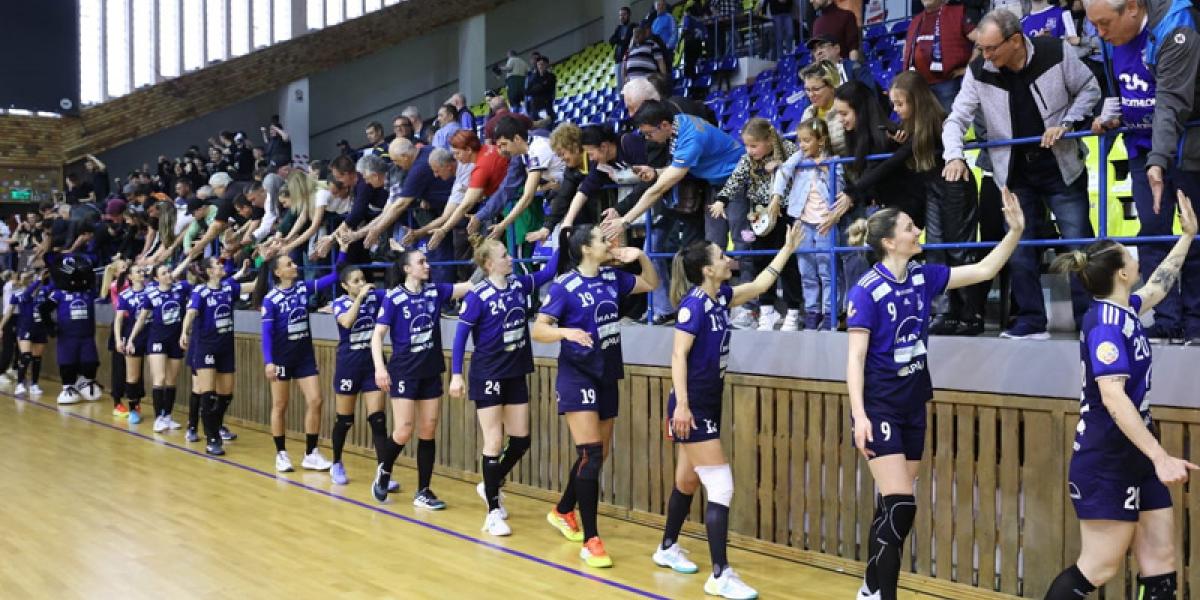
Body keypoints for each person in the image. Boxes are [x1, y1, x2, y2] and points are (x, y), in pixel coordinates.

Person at [847, 191, 1025, 600]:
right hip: (880, 407)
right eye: (909, 228)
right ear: (889, 242)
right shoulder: (866, 291)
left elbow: (984, 269)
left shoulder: (923, 276)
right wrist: (860, 415)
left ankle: (870, 588)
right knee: (901, 506)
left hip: (913, 404)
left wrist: (1015, 231)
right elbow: (855, 359)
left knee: (894, 506)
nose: (918, 231)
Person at [1042, 191, 1198, 600]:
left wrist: (1187, 236)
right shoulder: (1105, 326)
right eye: (1128, 254)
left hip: (1136, 451)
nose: (1135, 256)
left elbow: (1159, 287)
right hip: (1106, 456)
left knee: (1161, 559)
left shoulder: (1126, 308)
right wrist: (1160, 456)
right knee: (1100, 567)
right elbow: (1112, 398)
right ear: (1122, 273)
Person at [658, 224, 804, 600]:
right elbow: (677, 356)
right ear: (708, 269)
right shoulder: (693, 306)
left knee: (687, 482)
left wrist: (787, 248)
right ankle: (720, 575)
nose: (727, 259)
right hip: (692, 406)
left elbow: (759, 286)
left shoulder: (720, 297)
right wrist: (683, 406)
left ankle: (667, 547)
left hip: (708, 402)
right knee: (721, 485)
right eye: (721, 256)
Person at [942, 8, 1101, 339]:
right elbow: (956, 119)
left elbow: (1090, 89)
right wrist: (954, 155)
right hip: (1013, 174)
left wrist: (1066, 123)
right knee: (1019, 246)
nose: (985, 56)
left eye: (991, 48)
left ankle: (1091, 319)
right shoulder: (978, 70)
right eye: (981, 49)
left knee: (1078, 243)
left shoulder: (1056, 51)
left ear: (1015, 40)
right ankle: (1030, 320)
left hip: (1061, 167)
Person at [531, 225, 658, 568]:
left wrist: (641, 256)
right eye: (603, 240)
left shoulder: (612, 277)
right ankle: (592, 540)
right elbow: (539, 329)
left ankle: (562, 511)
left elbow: (651, 284)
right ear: (586, 249)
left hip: (607, 372)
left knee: (597, 455)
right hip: (577, 375)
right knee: (590, 453)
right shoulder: (565, 286)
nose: (610, 243)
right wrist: (565, 332)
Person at [1088, 0, 1200, 344]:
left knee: (1193, 237)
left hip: (1183, 149)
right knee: (1151, 235)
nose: (1099, 33)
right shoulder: (1111, 40)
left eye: (1105, 24)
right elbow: (1123, 89)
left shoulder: (1176, 27)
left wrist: (1159, 159)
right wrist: (1110, 115)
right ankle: (1166, 319)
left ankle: (1196, 322)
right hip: (1140, 149)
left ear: (1132, 9)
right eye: (1094, 25)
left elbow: (1171, 101)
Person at [450, 241, 558, 536]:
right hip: (488, 373)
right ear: (488, 264)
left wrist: (565, 228)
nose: (510, 258)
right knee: (494, 441)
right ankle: (493, 512)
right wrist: (456, 375)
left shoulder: (518, 285)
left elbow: (549, 271)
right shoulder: (478, 296)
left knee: (521, 440)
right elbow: (460, 338)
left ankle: (491, 481)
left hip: (515, 371)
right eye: (504, 256)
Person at [368, 250, 473, 507]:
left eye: (426, 261)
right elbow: (377, 335)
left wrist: (485, 261)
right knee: (404, 430)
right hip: (404, 371)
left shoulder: (434, 292)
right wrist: (380, 368)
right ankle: (384, 469)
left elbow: (469, 286)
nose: (427, 265)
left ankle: (423, 491)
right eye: (421, 262)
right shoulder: (394, 298)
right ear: (407, 269)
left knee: (428, 430)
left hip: (430, 370)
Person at [712, 118, 802, 331]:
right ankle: (766, 310)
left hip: (785, 212)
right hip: (759, 216)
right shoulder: (748, 159)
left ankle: (793, 311)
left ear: (769, 140)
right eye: (746, 145)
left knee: (787, 263)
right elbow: (735, 179)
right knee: (760, 260)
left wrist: (782, 166)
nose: (749, 150)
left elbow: (802, 163)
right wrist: (721, 200)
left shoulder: (787, 149)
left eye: (754, 145)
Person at [253, 255, 337, 473]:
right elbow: (266, 333)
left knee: (316, 400)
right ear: (278, 272)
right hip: (282, 358)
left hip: (304, 356)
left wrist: (344, 250)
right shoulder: (271, 299)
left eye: (293, 262)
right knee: (280, 405)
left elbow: (335, 276)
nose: (295, 266)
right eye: (289, 264)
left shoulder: (302, 288)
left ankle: (311, 454)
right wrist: (268, 361)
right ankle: (281, 453)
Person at [324, 260, 397, 489]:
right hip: (349, 366)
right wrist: (359, 298)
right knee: (345, 420)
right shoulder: (340, 303)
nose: (362, 284)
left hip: (372, 365)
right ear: (345, 286)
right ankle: (336, 463)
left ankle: (383, 472)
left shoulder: (375, 297)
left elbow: (397, 293)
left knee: (378, 420)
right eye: (355, 281)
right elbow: (346, 322)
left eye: (363, 279)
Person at [773, 118, 845, 330]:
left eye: (806, 140)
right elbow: (783, 172)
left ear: (820, 141)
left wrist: (826, 171)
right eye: (799, 140)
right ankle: (812, 312)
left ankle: (830, 312)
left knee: (827, 270)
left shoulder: (834, 161)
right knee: (806, 271)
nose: (801, 145)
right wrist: (776, 197)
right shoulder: (798, 158)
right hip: (803, 222)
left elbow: (839, 189)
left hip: (826, 223)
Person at [179, 258, 243, 455]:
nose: (222, 266)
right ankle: (212, 437)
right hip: (206, 347)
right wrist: (184, 332)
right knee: (207, 393)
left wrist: (265, 263)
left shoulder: (228, 288)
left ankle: (214, 424)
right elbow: (191, 312)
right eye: (217, 265)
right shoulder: (200, 291)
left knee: (226, 395)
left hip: (226, 348)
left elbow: (254, 286)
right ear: (209, 271)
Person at [126, 261, 192, 431]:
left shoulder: (181, 288)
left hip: (175, 340)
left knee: (171, 380)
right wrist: (131, 339)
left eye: (169, 271)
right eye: (163, 273)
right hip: (157, 340)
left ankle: (167, 416)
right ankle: (158, 418)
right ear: (156, 278)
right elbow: (142, 318)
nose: (168, 275)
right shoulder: (151, 294)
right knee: (160, 378)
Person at [42, 256, 104, 406]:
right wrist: (50, 327)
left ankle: (85, 382)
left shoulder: (89, 292)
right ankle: (68, 386)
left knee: (91, 362)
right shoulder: (59, 294)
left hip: (87, 336)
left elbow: (104, 290)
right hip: (67, 336)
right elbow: (43, 309)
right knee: (68, 363)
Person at [902, 0, 979, 112]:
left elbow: (981, 40)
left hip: (947, 84)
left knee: (951, 121)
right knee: (927, 123)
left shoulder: (957, 13)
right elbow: (907, 49)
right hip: (920, 87)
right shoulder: (916, 20)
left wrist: (968, 68)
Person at [0, 271, 46, 397]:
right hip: (25, 327)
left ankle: (34, 384)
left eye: (30, 277)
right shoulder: (18, 294)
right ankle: (20, 384)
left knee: (37, 358)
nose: (29, 277)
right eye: (26, 276)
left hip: (39, 328)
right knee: (25, 356)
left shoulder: (42, 292)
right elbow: (8, 312)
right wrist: (1, 326)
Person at [800, 62, 850, 156]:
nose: (811, 95)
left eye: (816, 89)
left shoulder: (846, 110)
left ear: (832, 86)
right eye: (808, 90)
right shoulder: (808, 113)